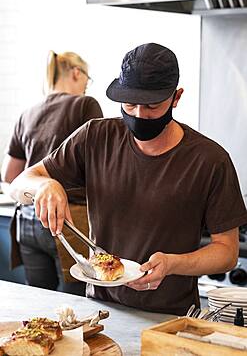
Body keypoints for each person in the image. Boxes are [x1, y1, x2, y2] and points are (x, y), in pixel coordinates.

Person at [9, 43, 247, 315]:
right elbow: (20, 182)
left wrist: (172, 264)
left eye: (152, 106)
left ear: (176, 97)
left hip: (171, 318)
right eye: (130, 103)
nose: (138, 115)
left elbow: (227, 252)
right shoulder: (96, 137)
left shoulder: (209, 160)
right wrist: (46, 184)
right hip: (98, 311)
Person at [1, 50, 103, 295]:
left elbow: (9, 175)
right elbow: (100, 167)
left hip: (27, 219)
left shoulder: (28, 113)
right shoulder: (85, 105)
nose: (86, 89)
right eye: (87, 82)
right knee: (77, 308)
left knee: (39, 302)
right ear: (77, 73)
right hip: (68, 220)